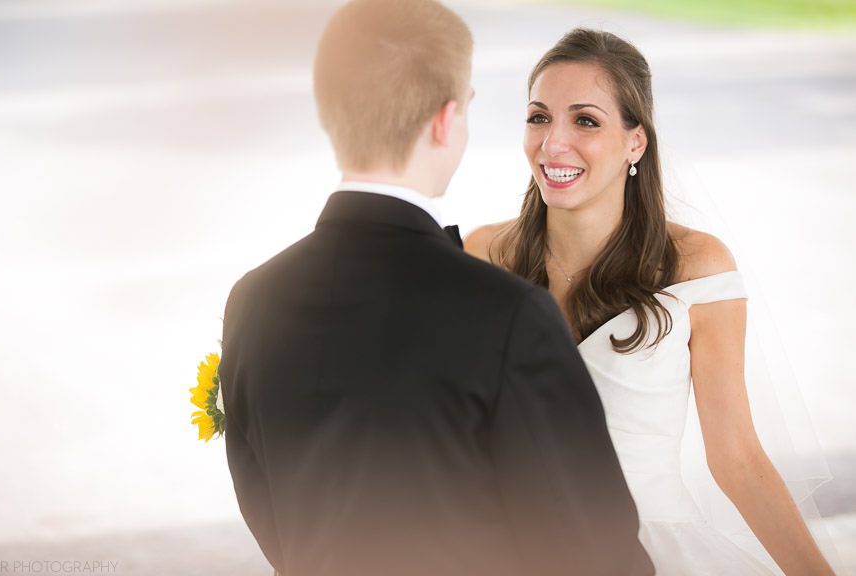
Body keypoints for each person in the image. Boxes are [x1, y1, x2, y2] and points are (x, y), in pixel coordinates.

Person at [219, 2, 654, 575]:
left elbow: (268, 514)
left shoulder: (251, 302)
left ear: (331, 113)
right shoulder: (508, 314)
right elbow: (598, 552)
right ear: (447, 120)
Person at [465, 28, 835, 575]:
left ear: (635, 142)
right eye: (539, 116)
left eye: (585, 120)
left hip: (650, 554)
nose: (553, 143)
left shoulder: (697, 266)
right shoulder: (480, 253)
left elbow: (736, 458)